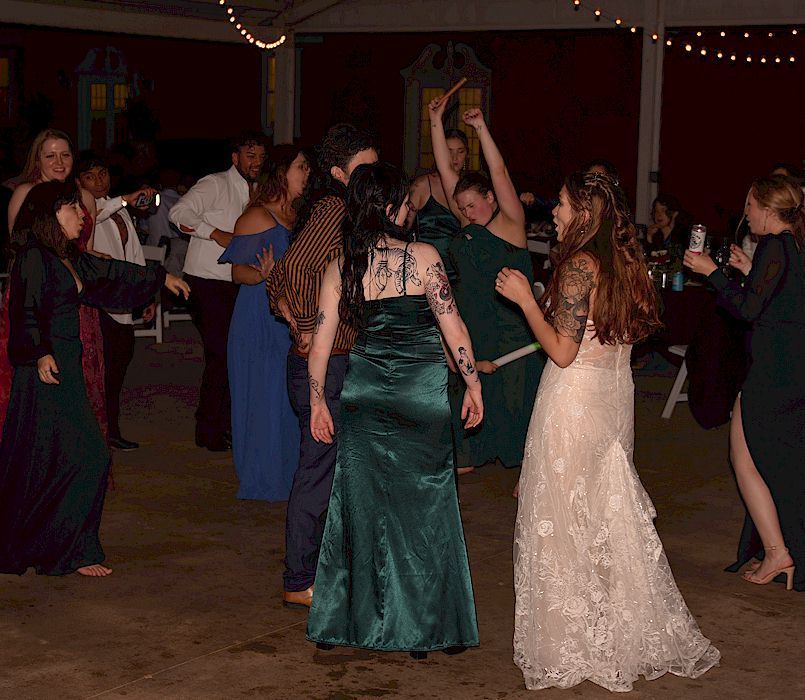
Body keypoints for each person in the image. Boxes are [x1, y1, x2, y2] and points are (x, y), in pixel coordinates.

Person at [498, 171, 719, 691]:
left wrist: (526, 299)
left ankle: (573, 643)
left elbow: (563, 351)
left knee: (562, 514)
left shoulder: (579, 267)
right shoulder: (624, 260)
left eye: (564, 205)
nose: (554, 211)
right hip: (613, 398)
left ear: (586, 214)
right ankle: (609, 631)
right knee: (598, 512)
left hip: (574, 401)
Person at [306, 162, 482, 656]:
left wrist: (318, 402)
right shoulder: (424, 256)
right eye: (405, 203)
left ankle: (347, 623)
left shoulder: (341, 263)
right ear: (389, 208)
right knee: (425, 511)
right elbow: (455, 329)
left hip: (363, 396)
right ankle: (429, 629)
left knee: (359, 511)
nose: (411, 210)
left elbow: (320, 345)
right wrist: (473, 385)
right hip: (419, 396)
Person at [0, 181, 189, 577]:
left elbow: (109, 272)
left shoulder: (67, 257)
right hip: (44, 373)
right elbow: (24, 311)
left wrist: (158, 279)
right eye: (75, 209)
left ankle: (57, 546)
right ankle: (71, 550)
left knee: (55, 460)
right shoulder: (35, 257)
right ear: (52, 214)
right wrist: (39, 353)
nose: (84, 216)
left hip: (62, 368)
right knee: (87, 455)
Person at [267, 124, 377, 608]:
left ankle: (317, 571)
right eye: (364, 168)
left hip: (334, 360)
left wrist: (295, 319)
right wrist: (309, 327)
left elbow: (280, 278)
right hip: (325, 366)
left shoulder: (345, 211)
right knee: (318, 470)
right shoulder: (335, 209)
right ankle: (298, 580)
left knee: (328, 471)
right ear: (338, 173)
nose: (374, 175)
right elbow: (291, 272)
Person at [684, 174, 804, 592]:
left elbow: (750, 310)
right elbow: (783, 298)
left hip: (775, 370)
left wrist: (712, 272)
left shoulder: (775, 244)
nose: (746, 213)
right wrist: (749, 270)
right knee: (767, 459)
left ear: (769, 211)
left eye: (751, 206)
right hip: (788, 366)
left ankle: (777, 552)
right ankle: (779, 548)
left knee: (747, 457)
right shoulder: (790, 245)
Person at [429, 98, 543, 471]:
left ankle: (527, 466)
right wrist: (433, 120)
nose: (466, 212)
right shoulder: (468, 227)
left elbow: (500, 172)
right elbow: (447, 173)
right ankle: (474, 452)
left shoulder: (510, 223)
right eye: (461, 207)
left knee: (514, 402)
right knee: (476, 398)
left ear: (491, 199)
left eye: (472, 205)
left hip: (510, 328)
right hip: (476, 324)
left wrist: (481, 129)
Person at [1, 130, 111, 441]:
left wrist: (90, 257)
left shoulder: (84, 196)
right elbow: (21, 250)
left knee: (82, 376)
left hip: (78, 299)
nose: (59, 162)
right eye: (50, 155)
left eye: (65, 154)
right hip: (40, 297)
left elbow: (82, 248)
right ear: (38, 160)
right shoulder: (25, 193)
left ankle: (78, 450)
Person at [219, 146, 310, 501]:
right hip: (259, 317)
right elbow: (237, 273)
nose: (306, 173)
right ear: (282, 172)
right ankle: (265, 477)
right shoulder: (257, 216)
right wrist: (266, 273)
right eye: (301, 167)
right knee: (265, 397)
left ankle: (290, 475)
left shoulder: (299, 216)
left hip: (291, 315)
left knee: (289, 397)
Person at [169, 133, 266, 452]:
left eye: (260, 156)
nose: (256, 161)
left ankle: (226, 425)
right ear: (235, 158)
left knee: (236, 356)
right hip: (206, 280)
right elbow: (178, 214)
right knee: (220, 355)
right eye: (249, 155)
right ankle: (209, 430)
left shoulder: (260, 188)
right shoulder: (214, 183)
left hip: (240, 281)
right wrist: (216, 234)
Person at [76, 152, 158, 451]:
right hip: (99, 302)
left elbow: (133, 255)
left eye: (102, 174)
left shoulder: (119, 208)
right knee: (101, 371)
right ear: (78, 182)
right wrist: (124, 199)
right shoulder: (83, 209)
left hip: (123, 299)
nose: (99, 181)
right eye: (90, 176)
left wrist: (146, 294)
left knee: (118, 369)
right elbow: (95, 217)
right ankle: (101, 432)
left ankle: (110, 428)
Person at [408, 128, 468, 281]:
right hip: (428, 272)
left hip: (462, 272)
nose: (454, 157)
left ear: (467, 154)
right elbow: (401, 228)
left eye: (460, 151)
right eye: (448, 151)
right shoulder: (422, 185)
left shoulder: (472, 189)